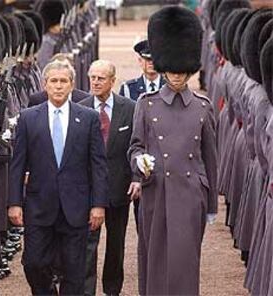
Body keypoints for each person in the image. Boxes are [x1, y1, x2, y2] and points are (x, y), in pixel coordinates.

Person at [127, 6, 217, 295]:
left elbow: (210, 159)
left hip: (190, 194)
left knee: (185, 262)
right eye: (172, 71)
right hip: (156, 191)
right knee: (154, 261)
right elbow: (135, 146)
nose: (176, 77)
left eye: (182, 72)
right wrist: (140, 161)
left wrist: (211, 204)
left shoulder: (203, 107)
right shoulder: (146, 103)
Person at [8, 59, 108, 295]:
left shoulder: (89, 118)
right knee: (33, 263)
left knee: (74, 270)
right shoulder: (28, 117)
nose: (59, 86)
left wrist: (98, 205)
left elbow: (98, 165)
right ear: (45, 84)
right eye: (54, 81)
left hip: (76, 207)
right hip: (39, 206)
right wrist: (14, 203)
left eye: (64, 81)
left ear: (72, 84)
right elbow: (17, 164)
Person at [80, 60, 136, 296]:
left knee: (116, 244)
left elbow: (136, 145)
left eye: (101, 78)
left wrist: (136, 178)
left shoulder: (130, 108)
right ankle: (86, 291)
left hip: (118, 187)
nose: (95, 82)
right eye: (92, 77)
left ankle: (112, 289)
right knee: (87, 245)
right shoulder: (80, 107)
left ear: (113, 81)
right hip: (87, 189)